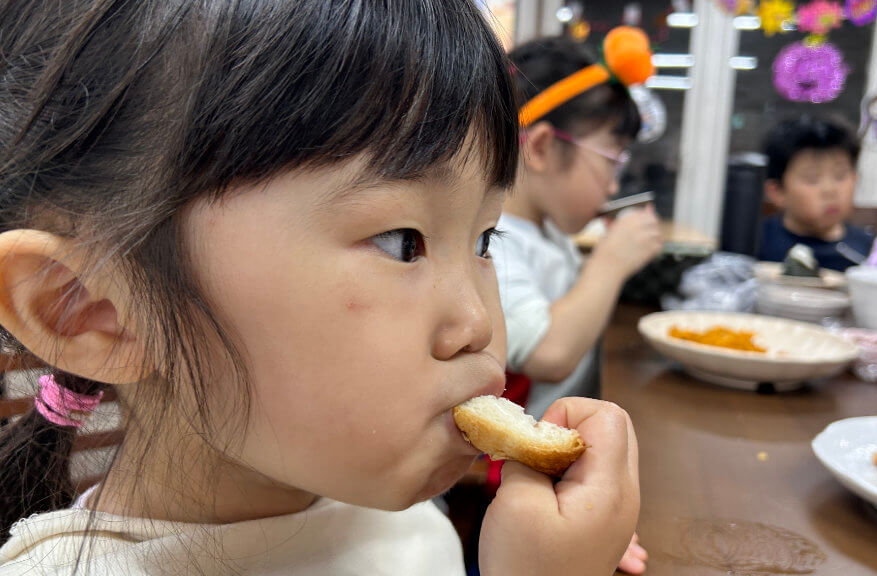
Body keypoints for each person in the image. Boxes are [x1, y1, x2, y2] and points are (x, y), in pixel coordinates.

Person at [0, 2, 640, 575]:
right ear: (93, 312)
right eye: (401, 241)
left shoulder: (401, 525)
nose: (478, 324)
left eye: (484, 242)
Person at [490, 34, 661, 575]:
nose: (613, 183)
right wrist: (609, 263)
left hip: (565, 446)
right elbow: (549, 352)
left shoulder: (551, 234)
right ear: (540, 147)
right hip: (514, 479)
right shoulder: (495, 240)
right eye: (609, 162)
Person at [758, 116, 874, 271]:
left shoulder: (870, 253)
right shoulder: (756, 244)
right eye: (812, 178)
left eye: (840, 176)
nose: (830, 190)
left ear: (854, 179)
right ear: (777, 191)